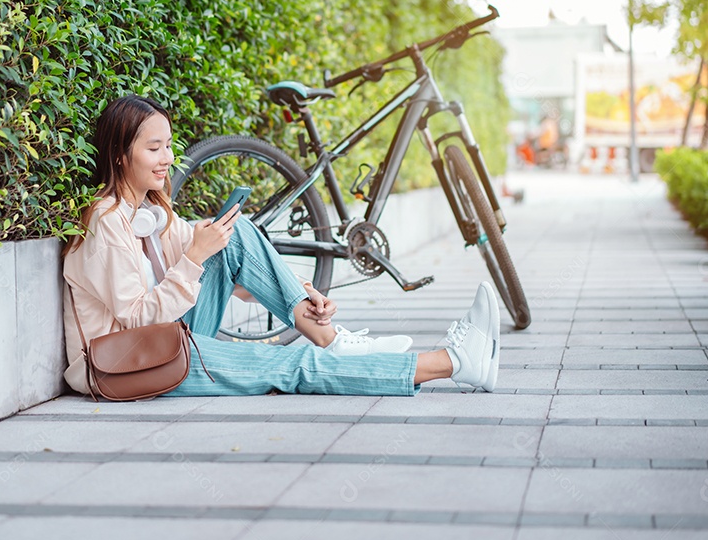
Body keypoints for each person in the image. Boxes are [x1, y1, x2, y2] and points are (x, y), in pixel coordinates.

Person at [61, 94, 500, 398]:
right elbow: (137, 316)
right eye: (154, 148)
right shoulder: (106, 222)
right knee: (289, 366)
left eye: (169, 146)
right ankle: (453, 363)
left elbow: (238, 275)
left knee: (236, 232)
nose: (168, 159)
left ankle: (328, 336)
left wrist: (301, 291)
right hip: (122, 366)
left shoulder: (154, 213)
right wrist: (195, 255)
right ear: (120, 155)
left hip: (164, 340)